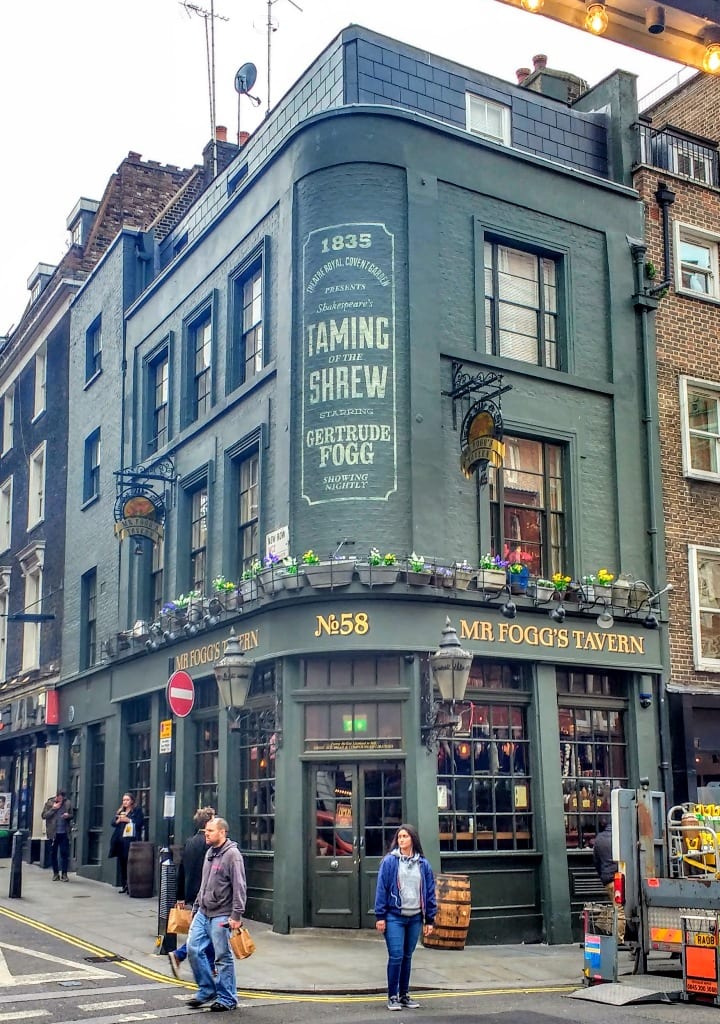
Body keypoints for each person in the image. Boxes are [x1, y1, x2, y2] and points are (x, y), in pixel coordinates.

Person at [374, 823, 437, 1011]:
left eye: (405, 836)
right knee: (396, 956)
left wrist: (430, 919)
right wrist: (380, 916)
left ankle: (404, 995)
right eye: (399, 837)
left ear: (413, 840)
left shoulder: (423, 864)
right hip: (394, 916)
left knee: (407, 956)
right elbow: (381, 889)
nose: (402, 840)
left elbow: (430, 892)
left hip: (415, 917)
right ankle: (392, 996)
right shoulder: (390, 862)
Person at [186, 816, 246, 1012]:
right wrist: (196, 908)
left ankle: (228, 998)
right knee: (193, 948)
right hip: (203, 911)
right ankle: (207, 990)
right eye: (205, 831)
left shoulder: (232, 855)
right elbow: (204, 884)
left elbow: (239, 887)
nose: (206, 834)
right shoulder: (209, 852)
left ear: (222, 832)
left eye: (210, 831)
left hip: (222, 914)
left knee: (222, 957)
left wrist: (236, 916)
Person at [168, 805, 216, 979]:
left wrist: (180, 895)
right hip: (206, 894)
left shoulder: (190, 842)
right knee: (207, 933)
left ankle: (208, 966)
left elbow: (182, 870)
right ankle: (181, 955)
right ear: (209, 822)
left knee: (205, 931)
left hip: (191, 893)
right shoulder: (211, 844)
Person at [592, 817, 626, 943]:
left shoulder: (599, 839)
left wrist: (603, 876)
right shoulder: (621, 837)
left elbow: (596, 861)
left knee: (615, 905)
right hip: (619, 878)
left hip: (608, 879)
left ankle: (600, 927)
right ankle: (618, 940)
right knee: (619, 909)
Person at [109, 793, 145, 894]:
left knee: (130, 863)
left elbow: (140, 823)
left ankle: (131, 885)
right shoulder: (121, 811)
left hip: (130, 840)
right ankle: (124, 884)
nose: (125, 802)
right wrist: (118, 820)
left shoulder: (136, 811)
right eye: (124, 800)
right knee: (122, 863)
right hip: (120, 840)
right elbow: (112, 822)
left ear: (132, 801)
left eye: (127, 800)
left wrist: (129, 820)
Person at [41, 789, 73, 881]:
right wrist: (53, 809)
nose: (60, 799)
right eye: (59, 797)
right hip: (53, 833)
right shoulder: (49, 803)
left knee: (64, 853)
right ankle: (55, 873)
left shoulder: (68, 803)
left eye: (62, 798)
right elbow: (44, 816)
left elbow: (72, 815)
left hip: (64, 832)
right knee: (53, 854)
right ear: (56, 796)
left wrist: (68, 816)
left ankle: (64, 874)